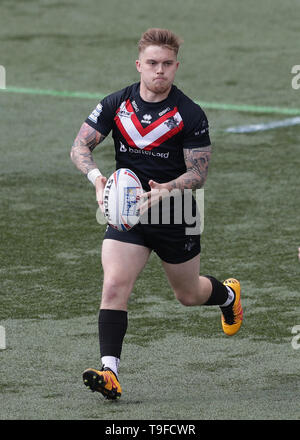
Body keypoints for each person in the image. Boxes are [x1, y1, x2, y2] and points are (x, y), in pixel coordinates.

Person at [70, 28, 243, 400]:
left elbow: (198, 173)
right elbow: (80, 147)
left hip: (176, 212)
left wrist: (167, 189)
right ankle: (110, 371)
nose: (159, 71)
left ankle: (228, 296)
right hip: (127, 213)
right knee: (114, 285)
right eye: (152, 63)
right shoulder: (117, 104)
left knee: (188, 294)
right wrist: (98, 179)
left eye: (166, 64)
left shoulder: (190, 113)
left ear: (176, 67)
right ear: (139, 65)